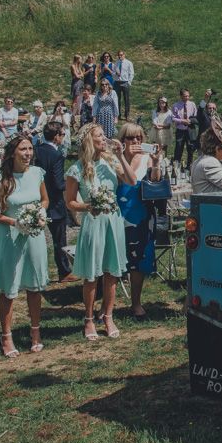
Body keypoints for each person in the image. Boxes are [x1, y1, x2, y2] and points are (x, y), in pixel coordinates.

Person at [65, 124, 136, 341]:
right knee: (92, 275)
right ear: (88, 140)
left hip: (113, 220)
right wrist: (87, 206)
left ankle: (108, 315)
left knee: (112, 272)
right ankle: (88, 319)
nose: (104, 138)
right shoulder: (76, 169)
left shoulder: (110, 162)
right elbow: (69, 202)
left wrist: (121, 156)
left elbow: (132, 181)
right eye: (99, 136)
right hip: (93, 222)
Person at [0, 135, 50, 357]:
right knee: (9, 289)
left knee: (34, 286)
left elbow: (44, 199)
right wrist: (13, 221)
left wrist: (38, 213)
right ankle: (6, 337)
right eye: (23, 149)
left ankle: (35, 333)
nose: (28, 153)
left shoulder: (37, 173)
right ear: (13, 152)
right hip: (10, 236)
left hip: (33, 235)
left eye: (30, 149)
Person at [117, 123, 162, 320]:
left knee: (139, 258)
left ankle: (136, 302)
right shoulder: (114, 159)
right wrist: (121, 155)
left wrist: (156, 162)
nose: (135, 142)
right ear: (122, 140)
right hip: (119, 211)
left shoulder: (146, 158)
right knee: (116, 257)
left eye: (139, 138)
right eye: (130, 138)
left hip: (142, 212)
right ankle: (106, 304)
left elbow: (156, 181)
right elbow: (129, 180)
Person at [34, 122, 77, 283]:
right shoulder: (56, 155)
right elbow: (59, 183)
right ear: (56, 136)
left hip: (36, 199)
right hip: (54, 202)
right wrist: (72, 185)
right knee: (59, 240)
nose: (63, 138)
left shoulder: (36, 151)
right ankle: (64, 271)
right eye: (63, 135)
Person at [172, 89, 198, 169]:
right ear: (181, 96)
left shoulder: (192, 104)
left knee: (190, 148)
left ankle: (189, 166)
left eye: (188, 96)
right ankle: (177, 166)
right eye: (185, 96)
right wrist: (182, 121)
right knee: (179, 147)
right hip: (180, 130)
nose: (187, 98)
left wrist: (190, 121)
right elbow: (173, 118)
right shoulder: (176, 105)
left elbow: (196, 116)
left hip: (190, 129)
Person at [113, 50, 135, 121]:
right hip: (117, 82)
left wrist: (128, 82)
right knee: (117, 99)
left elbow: (131, 73)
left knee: (126, 99)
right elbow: (113, 73)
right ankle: (118, 115)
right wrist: (115, 74)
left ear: (124, 55)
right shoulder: (116, 63)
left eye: (121, 55)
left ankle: (127, 115)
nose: (120, 56)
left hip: (125, 82)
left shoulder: (128, 63)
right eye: (119, 55)